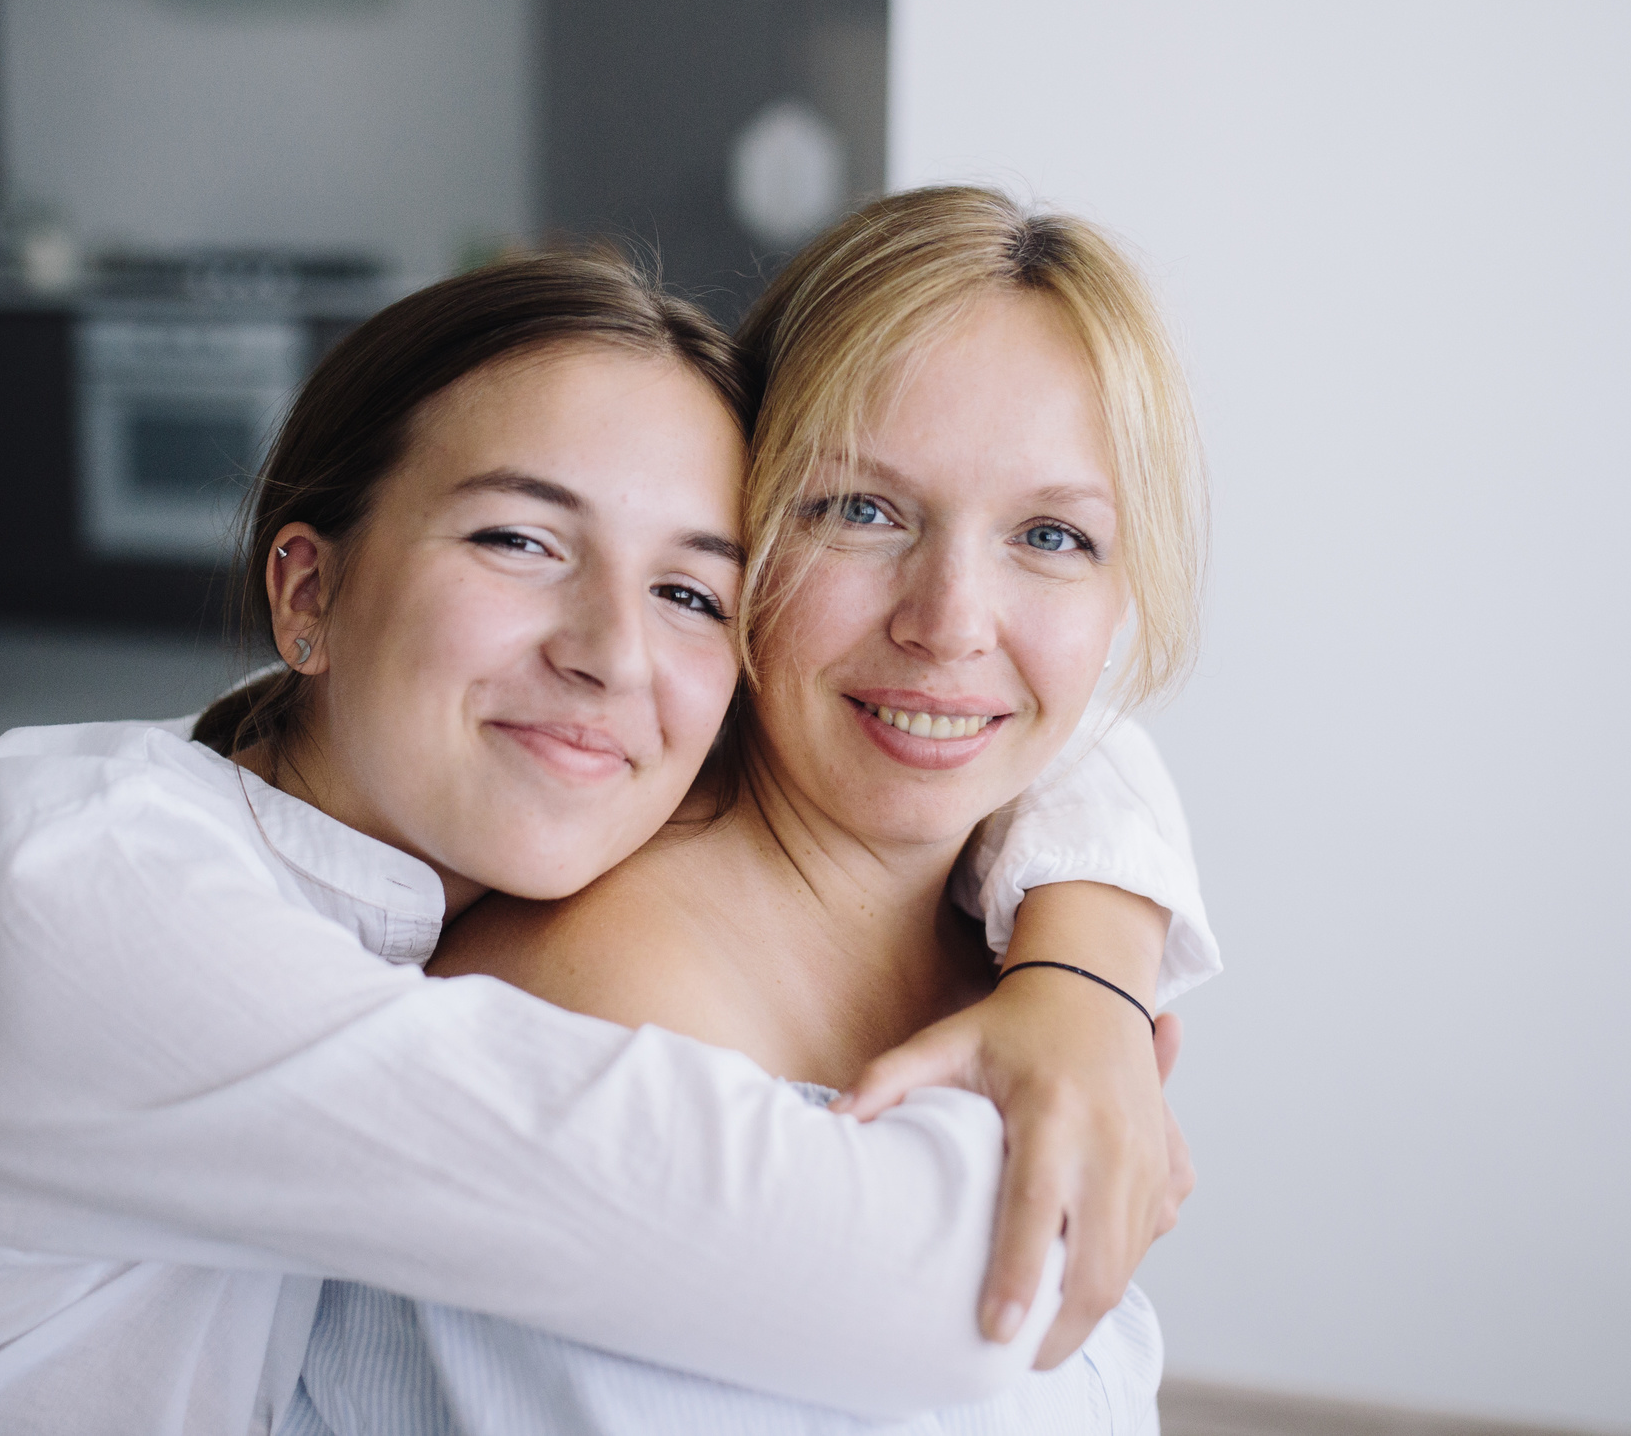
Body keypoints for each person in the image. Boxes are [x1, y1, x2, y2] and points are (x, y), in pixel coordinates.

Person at [0, 250, 1210, 1436]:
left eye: (688, 588)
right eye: (519, 537)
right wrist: (1097, 1069)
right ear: (307, 589)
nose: (610, 652)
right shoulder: (106, 911)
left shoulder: (407, 797)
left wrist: (1082, 966)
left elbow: (1036, 714)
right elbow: (947, 1290)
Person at [283, 186, 1204, 1436]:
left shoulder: (1017, 896)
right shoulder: (600, 1023)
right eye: (861, 511)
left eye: (1051, 535)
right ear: (739, 534)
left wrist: (1085, 980)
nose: (950, 624)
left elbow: (1098, 749)